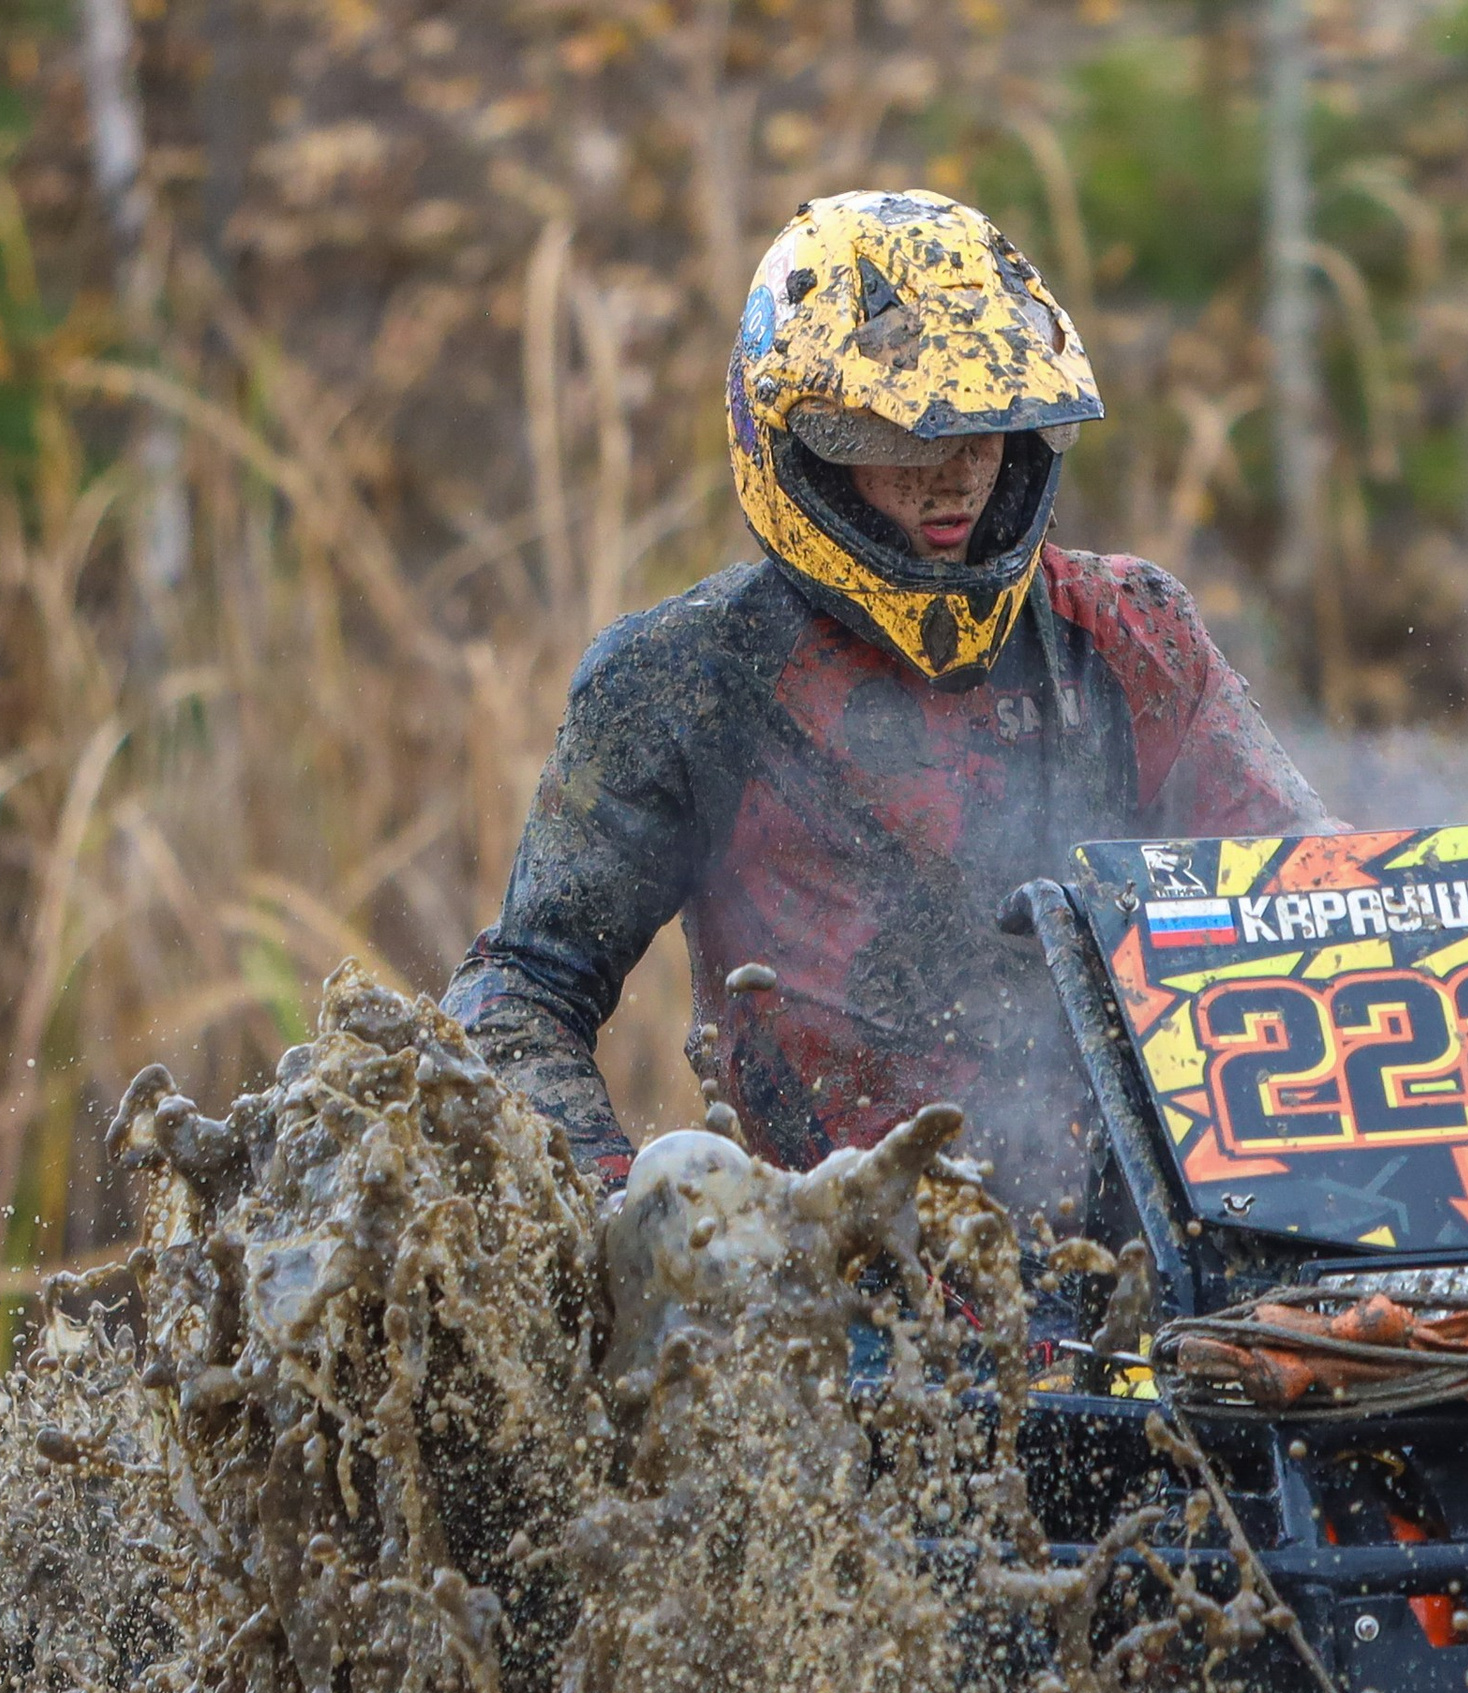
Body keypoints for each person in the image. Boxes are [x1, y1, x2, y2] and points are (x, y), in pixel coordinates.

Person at [444, 188, 1325, 1209]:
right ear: (802, 442)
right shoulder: (687, 678)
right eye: (900, 437)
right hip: (830, 1262)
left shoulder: (1130, 632)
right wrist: (625, 1208)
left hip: (1154, 1247)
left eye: (987, 427)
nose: (954, 476)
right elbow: (518, 992)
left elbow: (1317, 896)